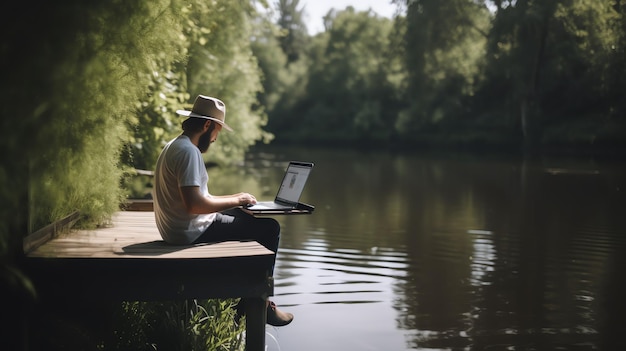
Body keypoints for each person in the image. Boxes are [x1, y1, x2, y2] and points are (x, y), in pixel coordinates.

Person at [152, 94, 293, 326]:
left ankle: (248, 300)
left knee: (246, 216)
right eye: (217, 130)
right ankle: (260, 302)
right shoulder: (189, 152)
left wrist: (238, 200)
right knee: (269, 228)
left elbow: (199, 198)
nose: (216, 138)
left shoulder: (174, 145)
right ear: (207, 125)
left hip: (177, 228)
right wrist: (236, 199)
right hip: (189, 232)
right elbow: (195, 205)